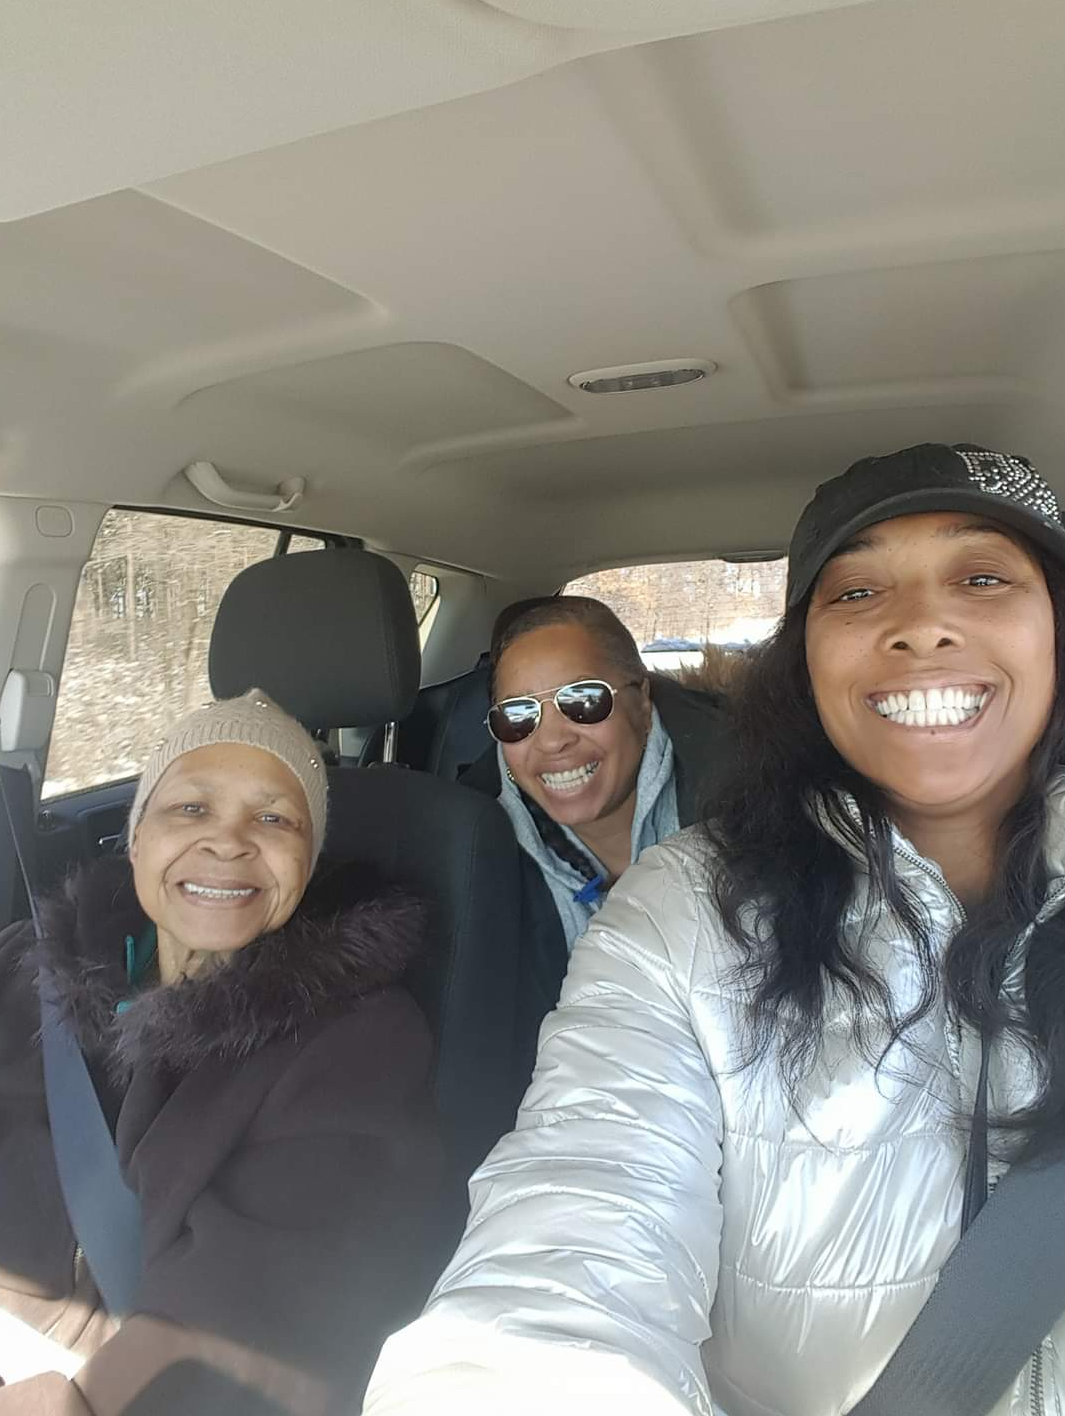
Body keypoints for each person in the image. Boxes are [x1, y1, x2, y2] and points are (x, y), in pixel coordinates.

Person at [365, 443, 1065, 1416]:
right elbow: (586, 1190)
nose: (920, 623)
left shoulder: (696, 815)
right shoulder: (680, 909)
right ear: (804, 661)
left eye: (982, 577)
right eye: (857, 593)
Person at [0, 689, 444, 1415]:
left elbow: (266, 1315)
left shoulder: (361, 1039)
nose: (228, 841)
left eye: (273, 819)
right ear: (135, 840)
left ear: (308, 862)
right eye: (190, 808)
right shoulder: (33, 965)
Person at [460, 596, 730, 1065]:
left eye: (583, 700)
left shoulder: (755, 804)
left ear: (642, 703)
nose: (552, 740)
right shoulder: (471, 855)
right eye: (518, 716)